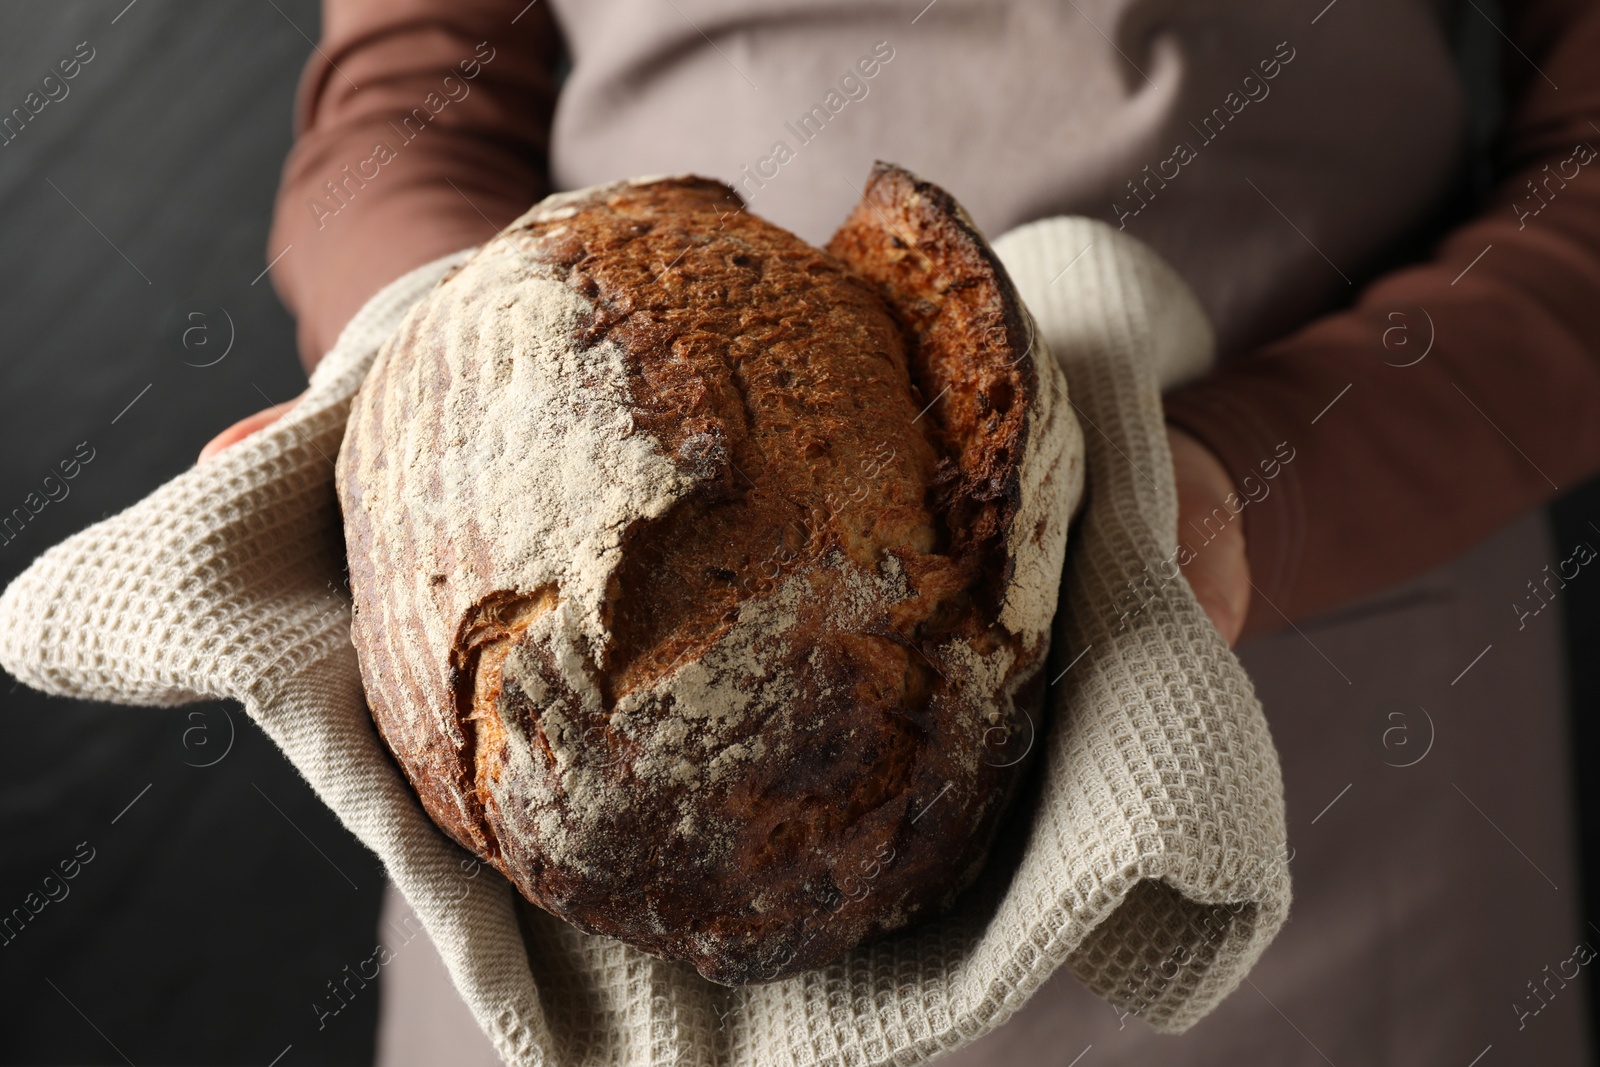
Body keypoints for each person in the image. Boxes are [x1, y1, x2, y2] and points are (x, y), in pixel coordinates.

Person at [204, 0, 1600, 1061]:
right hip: (571, 755)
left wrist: (1246, 481)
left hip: (1322, 713)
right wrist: (431, 379)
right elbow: (407, 103)